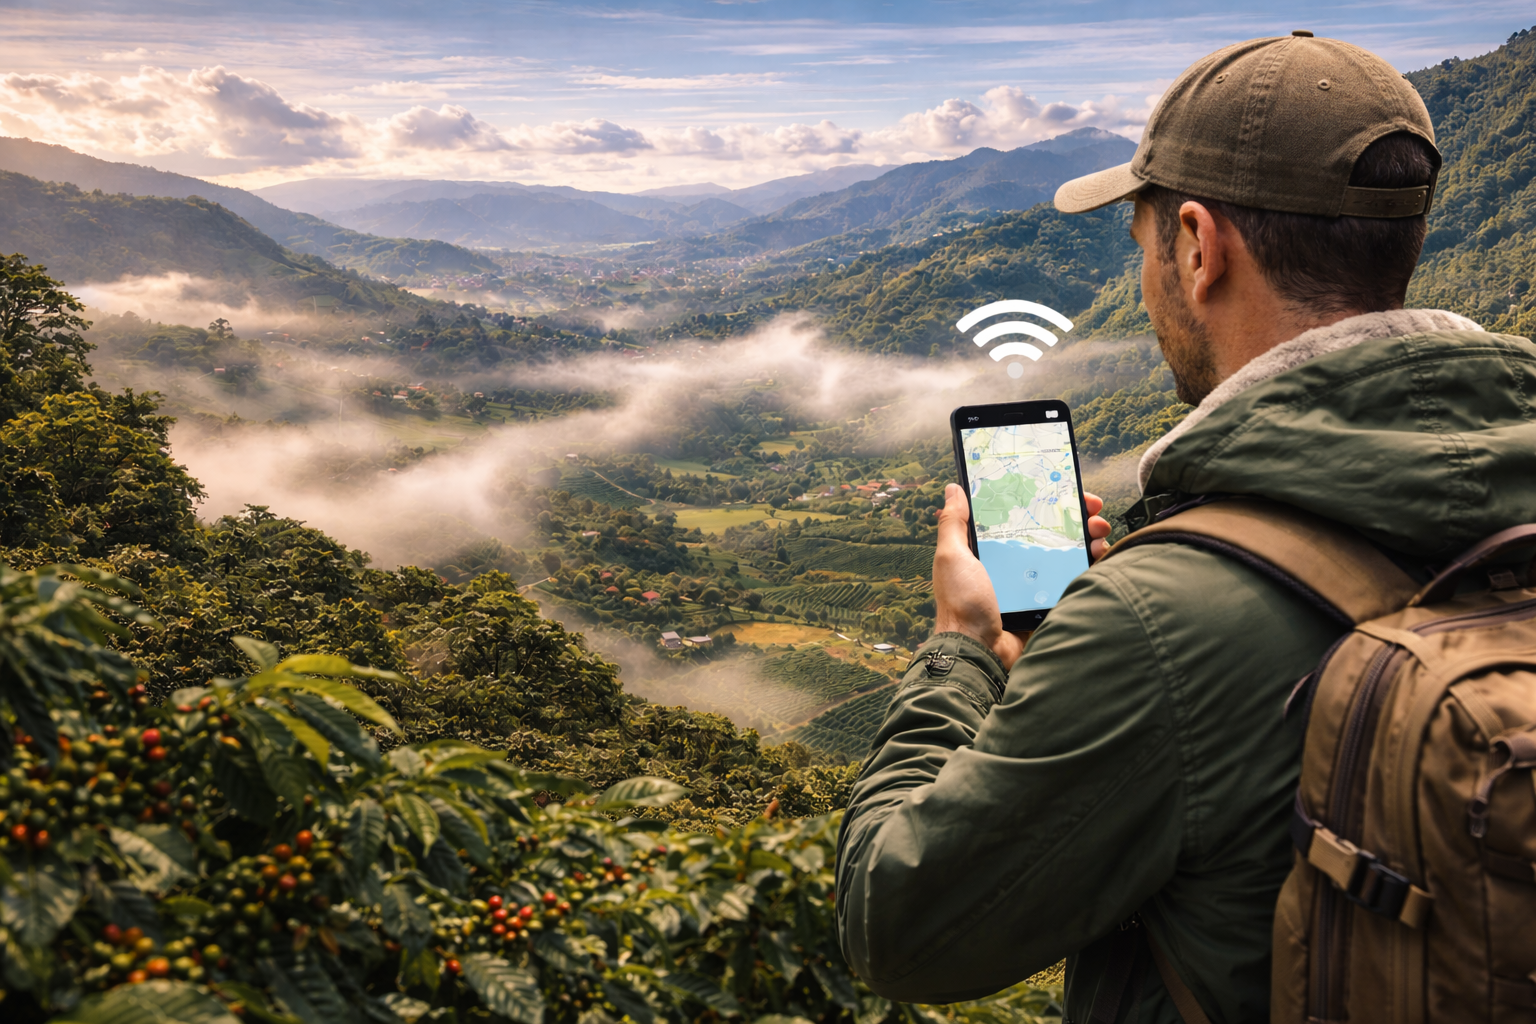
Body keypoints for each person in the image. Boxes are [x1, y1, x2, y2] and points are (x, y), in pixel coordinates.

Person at [835, 31, 1536, 1023]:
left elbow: (894, 924)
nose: (1146, 282)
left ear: (1199, 247)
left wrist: (961, 652)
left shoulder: (1158, 622)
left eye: (1143, 244)